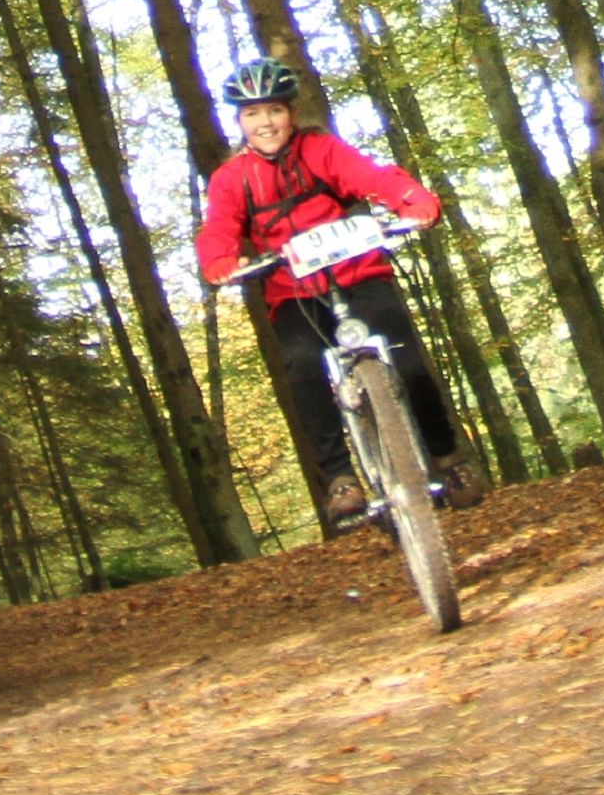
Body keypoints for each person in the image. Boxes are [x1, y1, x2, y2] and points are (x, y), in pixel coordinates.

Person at [194, 55, 485, 526]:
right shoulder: (232, 179)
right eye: (253, 114)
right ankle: (340, 478)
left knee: (407, 363)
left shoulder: (321, 150)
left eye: (274, 111)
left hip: (359, 273)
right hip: (294, 292)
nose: (265, 123)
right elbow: (218, 229)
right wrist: (221, 263)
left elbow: (373, 178)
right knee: (303, 365)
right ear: (240, 121)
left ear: (290, 113)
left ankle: (449, 460)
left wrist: (410, 201)